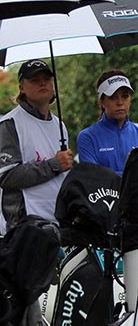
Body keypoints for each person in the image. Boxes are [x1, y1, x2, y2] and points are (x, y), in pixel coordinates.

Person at [0, 59, 74, 230]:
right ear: (21, 88)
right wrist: (53, 165)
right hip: (25, 228)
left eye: (47, 78)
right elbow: (7, 176)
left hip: (58, 223)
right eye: (34, 79)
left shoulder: (59, 125)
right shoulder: (10, 123)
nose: (42, 83)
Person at [77, 69, 138, 176]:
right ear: (102, 101)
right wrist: (133, 176)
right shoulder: (87, 138)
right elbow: (92, 179)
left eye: (125, 96)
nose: (120, 102)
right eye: (113, 97)